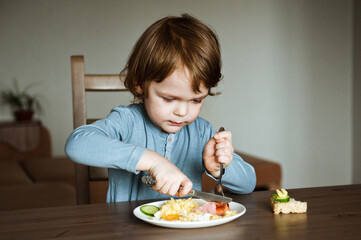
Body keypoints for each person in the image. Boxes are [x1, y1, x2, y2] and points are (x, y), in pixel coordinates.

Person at [65, 14, 256, 202]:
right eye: (169, 98)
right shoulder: (127, 121)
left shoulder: (202, 132)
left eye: (196, 100)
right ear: (140, 83)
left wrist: (219, 168)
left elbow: (249, 183)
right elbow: (77, 144)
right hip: (124, 232)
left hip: (186, 234)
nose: (182, 112)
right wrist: (154, 161)